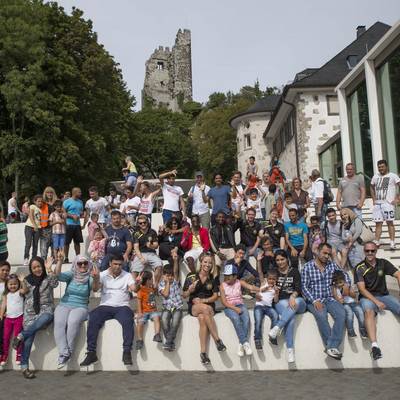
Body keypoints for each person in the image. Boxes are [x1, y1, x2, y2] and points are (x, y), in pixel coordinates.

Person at [80, 254, 137, 367]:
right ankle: (91, 353)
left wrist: (138, 283)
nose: (118, 267)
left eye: (120, 264)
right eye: (115, 264)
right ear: (110, 263)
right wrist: (96, 278)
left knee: (128, 320)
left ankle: (127, 352)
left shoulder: (127, 275)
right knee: (93, 317)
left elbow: (134, 288)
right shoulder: (102, 274)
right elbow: (95, 289)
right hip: (105, 306)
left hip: (122, 306)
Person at [13, 256, 58, 379]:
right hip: (30, 311)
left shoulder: (47, 277)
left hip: (45, 308)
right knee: (28, 341)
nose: (37, 269)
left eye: (39, 266)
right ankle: (24, 367)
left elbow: (55, 283)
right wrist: (22, 286)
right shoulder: (27, 280)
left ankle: (21, 335)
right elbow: (22, 292)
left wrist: (49, 269)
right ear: (31, 269)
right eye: (34, 268)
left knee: (47, 317)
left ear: (42, 266)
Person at [354, 242, 400, 360]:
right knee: (369, 312)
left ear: (376, 251)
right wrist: (376, 302)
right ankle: (375, 347)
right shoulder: (359, 267)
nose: (370, 253)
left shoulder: (383, 263)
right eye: (367, 251)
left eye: (372, 251)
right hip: (367, 297)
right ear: (364, 251)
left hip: (384, 296)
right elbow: (362, 290)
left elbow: (398, 274)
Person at [301, 243, 347, 360]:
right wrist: (314, 300)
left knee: (342, 314)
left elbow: (345, 276)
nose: (327, 256)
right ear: (317, 251)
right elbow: (304, 287)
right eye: (324, 253)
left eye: (328, 254)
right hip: (314, 300)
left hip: (330, 298)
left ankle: (331, 346)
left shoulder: (332, 266)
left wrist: (345, 286)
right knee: (321, 315)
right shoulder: (307, 267)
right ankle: (332, 347)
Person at [53, 252, 99, 369]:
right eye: (80, 263)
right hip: (64, 304)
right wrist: (60, 261)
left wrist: (96, 278)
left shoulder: (90, 276)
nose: (83, 266)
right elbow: (57, 275)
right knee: (59, 323)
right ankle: (64, 353)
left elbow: (95, 288)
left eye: (85, 263)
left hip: (81, 306)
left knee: (72, 322)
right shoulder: (72, 274)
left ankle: (68, 351)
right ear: (75, 264)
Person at [182, 252, 226, 365]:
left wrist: (203, 301)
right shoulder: (191, 275)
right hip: (194, 306)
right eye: (205, 262)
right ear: (201, 262)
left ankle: (203, 353)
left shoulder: (214, 277)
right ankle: (218, 340)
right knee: (203, 311)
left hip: (209, 304)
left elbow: (216, 296)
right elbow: (184, 295)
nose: (207, 264)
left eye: (210, 263)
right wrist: (190, 290)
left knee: (203, 316)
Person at [267, 250, 306, 363]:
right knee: (291, 318)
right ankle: (290, 350)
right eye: (277, 260)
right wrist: (275, 292)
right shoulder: (274, 273)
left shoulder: (294, 271)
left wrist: (293, 296)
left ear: (287, 259)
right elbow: (267, 285)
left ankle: (277, 327)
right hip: (281, 302)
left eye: (282, 259)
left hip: (297, 301)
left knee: (296, 303)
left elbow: (299, 288)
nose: (280, 262)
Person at [220, 263, 261, 357]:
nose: (226, 278)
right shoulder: (222, 285)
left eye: (228, 276)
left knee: (246, 320)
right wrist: (235, 308)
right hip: (229, 307)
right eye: (225, 276)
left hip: (240, 304)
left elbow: (251, 287)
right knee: (236, 319)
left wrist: (262, 289)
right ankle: (245, 343)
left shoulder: (239, 282)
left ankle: (241, 344)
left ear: (235, 276)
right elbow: (224, 302)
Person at [370, 159, 400, 250]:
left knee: (390, 223)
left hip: (388, 203)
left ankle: (392, 242)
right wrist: (374, 199)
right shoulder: (375, 176)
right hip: (378, 204)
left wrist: (398, 199)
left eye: (382, 166)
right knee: (378, 223)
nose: (381, 168)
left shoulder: (393, 176)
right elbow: (371, 186)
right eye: (379, 167)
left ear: (386, 166)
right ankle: (377, 241)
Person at [158, 251, 183, 351]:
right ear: (163, 275)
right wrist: (167, 283)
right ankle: (170, 343)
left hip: (177, 307)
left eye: (171, 275)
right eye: (168, 275)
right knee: (164, 320)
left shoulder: (176, 282)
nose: (170, 277)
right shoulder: (161, 285)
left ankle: (168, 342)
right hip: (166, 308)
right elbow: (166, 294)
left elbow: (176, 271)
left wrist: (176, 260)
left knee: (175, 322)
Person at [331, 270, 367, 339]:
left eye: (341, 282)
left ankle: (363, 331)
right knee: (350, 314)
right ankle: (351, 332)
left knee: (360, 312)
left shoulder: (347, 285)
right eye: (337, 283)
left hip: (352, 302)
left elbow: (353, 295)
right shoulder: (334, 288)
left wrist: (349, 291)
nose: (340, 284)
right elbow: (336, 297)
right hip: (344, 304)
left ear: (344, 280)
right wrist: (340, 299)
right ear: (334, 283)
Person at [131, 214, 163, 285]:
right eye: (140, 223)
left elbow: (156, 246)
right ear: (138, 224)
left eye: (144, 222)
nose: (143, 224)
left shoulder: (152, 232)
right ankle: (135, 289)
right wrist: (141, 258)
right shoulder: (136, 233)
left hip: (152, 253)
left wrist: (151, 246)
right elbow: (136, 247)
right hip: (140, 253)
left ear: (147, 222)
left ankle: (156, 285)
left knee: (159, 266)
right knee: (134, 271)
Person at [0, 274, 24, 365]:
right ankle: (4, 356)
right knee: (6, 337)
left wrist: (22, 281)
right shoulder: (6, 294)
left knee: (18, 337)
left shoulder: (20, 292)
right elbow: (3, 305)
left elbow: (25, 290)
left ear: (18, 284)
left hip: (19, 317)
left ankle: (19, 355)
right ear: (7, 285)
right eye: (10, 284)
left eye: (15, 284)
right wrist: (1, 316)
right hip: (8, 319)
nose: (13, 286)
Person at [135, 271, 162, 350]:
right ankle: (140, 339)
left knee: (156, 317)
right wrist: (140, 312)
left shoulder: (152, 288)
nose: (152, 281)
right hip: (144, 312)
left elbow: (156, 292)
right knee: (140, 323)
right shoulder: (141, 290)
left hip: (153, 311)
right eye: (151, 279)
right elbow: (139, 302)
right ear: (147, 281)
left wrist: (156, 285)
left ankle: (157, 334)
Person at [253, 269, 279, 350]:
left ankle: (272, 336)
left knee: (275, 316)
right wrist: (267, 287)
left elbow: (276, 300)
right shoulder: (264, 283)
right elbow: (262, 289)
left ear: (276, 280)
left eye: (273, 279)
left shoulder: (276, 288)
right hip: (259, 306)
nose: (271, 280)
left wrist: (276, 292)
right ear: (267, 279)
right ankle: (257, 339)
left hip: (268, 307)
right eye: (270, 279)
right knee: (258, 321)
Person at [63, 187, 84, 263]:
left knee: (77, 242)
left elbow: (81, 212)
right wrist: (72, 216)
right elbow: (63, 213)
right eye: (79, 192)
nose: (80, 193)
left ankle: (78, 257)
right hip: (68, 224)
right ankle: (66, 258)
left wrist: (81, 215)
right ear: (74, 193)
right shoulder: (66, 202)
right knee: (66, 242)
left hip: (77, 224)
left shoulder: (80, 202)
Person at [23, 195, 42, 266]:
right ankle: (26, 258)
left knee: (35, 244)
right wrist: (35, 225)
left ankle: (34, 259)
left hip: (38, 228)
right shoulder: (32, 206)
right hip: (29, 227)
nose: (40, 203)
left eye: (41, 201)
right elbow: (31, 216)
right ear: (35, 201)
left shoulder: (41, 210)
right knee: (28, 243)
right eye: (38, 201)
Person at [40, 187, 58, 259]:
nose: (49, 194)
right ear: (45, 193)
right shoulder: (42, 203)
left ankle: (54, 259)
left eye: (51, 192)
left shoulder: (57, 202)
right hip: (45, 227)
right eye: (48, 192)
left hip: (55, 227)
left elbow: (63, 212)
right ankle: (43, 260)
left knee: (54, 245)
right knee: (44, 246)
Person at [0, 261, 11, 361]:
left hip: (6, 313)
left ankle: (2, 355)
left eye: (7, 270)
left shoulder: (10, 283)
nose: (5, 272)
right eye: (2, 270)